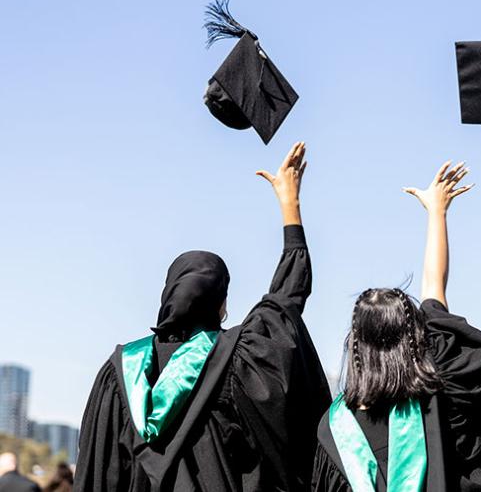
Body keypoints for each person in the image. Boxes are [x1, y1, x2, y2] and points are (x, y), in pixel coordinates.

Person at [74, 142, 331, 491]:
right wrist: (291, 207)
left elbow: (99, 473)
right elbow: (286, 299)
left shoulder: (120, 374)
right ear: (221, 304)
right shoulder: (235, 358)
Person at [312, 161, 481, 491]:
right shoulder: (440, 402)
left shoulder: (335, 431)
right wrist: (437, 212)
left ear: (355, 344)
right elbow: (434, 292)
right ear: (415, 338)